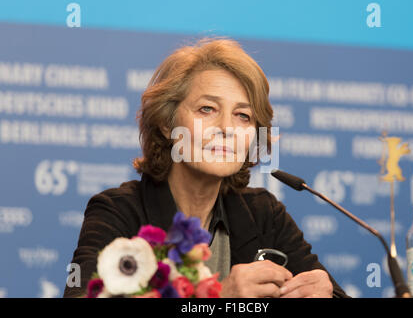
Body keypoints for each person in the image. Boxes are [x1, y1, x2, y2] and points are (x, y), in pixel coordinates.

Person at [63, 38, 348, 298]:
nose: (226, 129)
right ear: (166, 123)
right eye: (207, 109)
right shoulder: (120, 210)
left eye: (243, 116)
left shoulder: (264, 215)